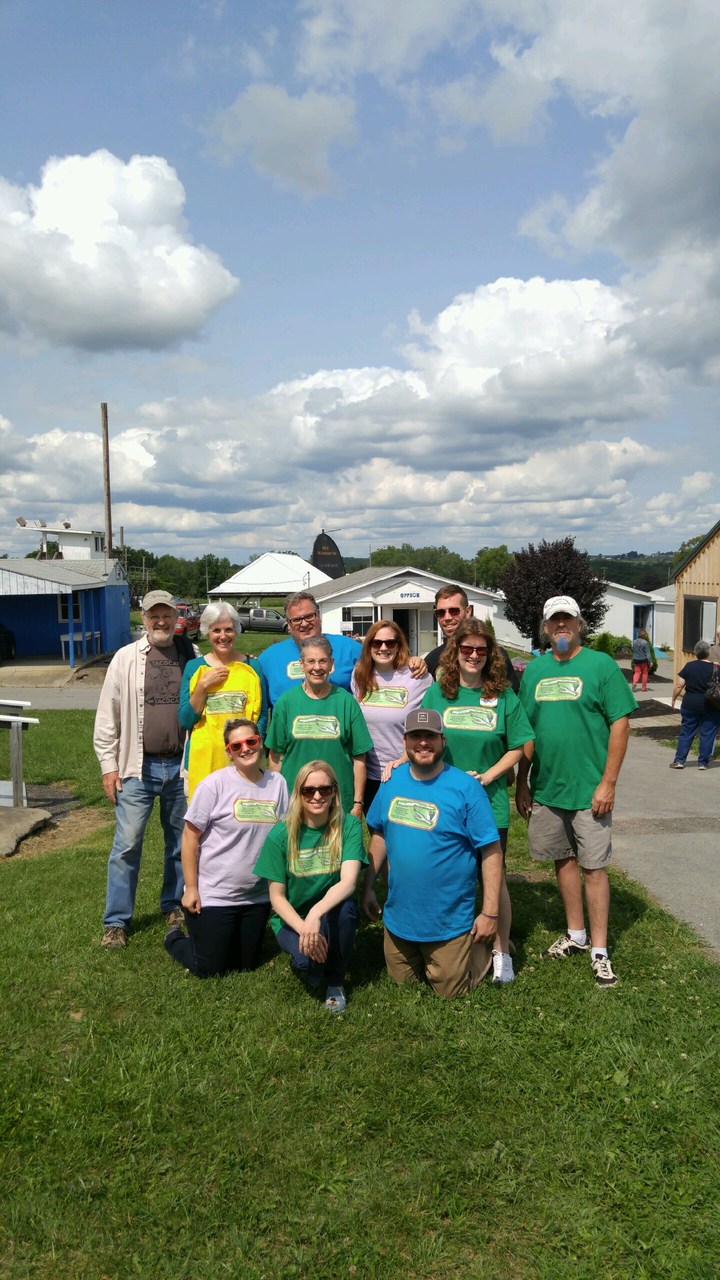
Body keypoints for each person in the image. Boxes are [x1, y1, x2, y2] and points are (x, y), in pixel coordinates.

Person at [516, 595, 637, 988]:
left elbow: (620, 724)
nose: (561, 625)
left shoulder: (600, 666)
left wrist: (609, 782)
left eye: (568, 619)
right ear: (546, 628)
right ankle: (576, 935)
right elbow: (526, 733)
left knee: (594, 868)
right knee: (563, 861)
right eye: (555, 620)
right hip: (548, 789)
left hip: (590, 790)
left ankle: (600, 951)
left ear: (580, 624)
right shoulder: (534, 672)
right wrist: (522, 779)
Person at [421, 618, 534, 983]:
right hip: (444, 801)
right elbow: (422, 739)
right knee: (448, 874)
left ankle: (502, 952)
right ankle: (447, 940)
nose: (473, 655)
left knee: (493, 880)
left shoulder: (503, 696)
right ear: (455, 653)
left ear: (490, 655)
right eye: (466, 649)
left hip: (489, 802)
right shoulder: (439, 693)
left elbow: (519, 746)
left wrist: (488, 776)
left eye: (480, 650)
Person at [363, 709, 504, 998]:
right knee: (403, 985)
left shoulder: (466, 788)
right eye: (416, 736)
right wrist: (368, 887)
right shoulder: (392, 782)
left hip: (448, 923)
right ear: (405, 741)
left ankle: (482, 947)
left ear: (443, 740)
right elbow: (379, 832)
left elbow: (491, 850)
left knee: (450, 992)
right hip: (399, 919)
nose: (423, 743)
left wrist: (490, 913)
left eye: (431, 736)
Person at [94, 590, 196, 948]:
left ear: (175, 616)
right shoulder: (125, 658)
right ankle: (116, 922)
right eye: (154, 615)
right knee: (126, 846)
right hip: (137, 769)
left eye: (167, 614)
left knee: (180, 845)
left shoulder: (190, 655)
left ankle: (174, 905)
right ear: (144, 618)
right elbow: (107, 715)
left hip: (181, 768)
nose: (161, 621)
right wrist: (109, 767)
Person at [164, 718, 289, 976]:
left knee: (246, 965)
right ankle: (175, 938)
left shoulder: (278, 784)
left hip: (257, 897)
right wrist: (191, 889)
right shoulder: (214, 785)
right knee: (209, 969)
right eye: (236, 745)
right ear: (228, 751)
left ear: (260, 742)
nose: (245, 749)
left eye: (251, 741)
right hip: (215, 896)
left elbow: (283, 839)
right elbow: (190, 838)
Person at [253, 760, 367, 1012]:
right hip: (292, 918)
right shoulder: (280, 835)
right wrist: (305, 927)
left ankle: (336, 981)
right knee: (308, 963)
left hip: (329, 911)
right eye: (309, 790)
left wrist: (316, 914)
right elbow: (277, 898)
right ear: (299, 793)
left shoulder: (348, 826)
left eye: (325, 790)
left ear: (334, 791)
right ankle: (314, 963)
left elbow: (348, 882)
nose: (317, 796)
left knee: (347, 909)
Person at [259, 590, 428, 708]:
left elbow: (385, 662)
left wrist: (411, 661)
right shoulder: (267, 659)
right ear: (288, 624)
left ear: (318, 615)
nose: (304, 623)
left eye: (309, 616)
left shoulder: (351, 649)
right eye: (296, 619)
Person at [266, 636, 373, 819]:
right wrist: (275, 799)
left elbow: (359, 758)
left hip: (337, 802)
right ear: (302, 664)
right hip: (295, 801)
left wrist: (357, 803)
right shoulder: (286, 702)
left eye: (322, 661)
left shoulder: (346, 702)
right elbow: (276, 757)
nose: (317, 667)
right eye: (311, 661)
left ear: (331, 664)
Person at [179, 603, 266, 799]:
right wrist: (202, 687)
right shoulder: (194, 668)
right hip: (203, 761)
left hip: (243, 758)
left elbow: (261, 716)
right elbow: (185, 720)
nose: (223, 636)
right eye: (216, 630)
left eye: (228, 629)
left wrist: (252, 752)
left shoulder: (253, 667)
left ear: (236, 630)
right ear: (206, 632)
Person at [350, 619, 432, 811]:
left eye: (390, 643)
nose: (383, 648)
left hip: (406, 771)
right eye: (376, 643)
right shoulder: (359, 675)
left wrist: (403, 760)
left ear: (399, 645)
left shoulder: (418, 677)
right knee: (377, 834)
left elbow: (427, 726)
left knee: (406, 834)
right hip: (370, 775)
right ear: (369, 646)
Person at [424, 584, 519, 691]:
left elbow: (512, 697)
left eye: (454, 611)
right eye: (441, 613)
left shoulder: (495, 655)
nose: (447, 618)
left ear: (468, 611)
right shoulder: (432, 660)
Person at [670, 640, 720, 770]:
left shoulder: (689, 666)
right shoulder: (716, 668)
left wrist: (674, 698)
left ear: (696, 653)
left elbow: (679, 685)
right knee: (708, 733)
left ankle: (679, 760)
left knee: (687, 731)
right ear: (708, 652)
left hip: (690, 704)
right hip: (711, 705)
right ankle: (703, 762)